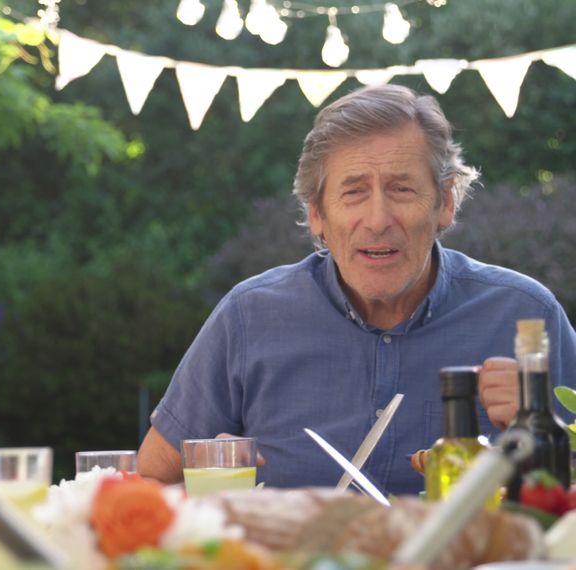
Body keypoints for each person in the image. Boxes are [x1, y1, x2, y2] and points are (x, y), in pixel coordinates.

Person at [138, 84, 576, 495]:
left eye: (402, 189)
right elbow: (151, 483)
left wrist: (543, 434)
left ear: (445, 202)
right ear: (317, 215)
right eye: (353, 192)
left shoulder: (526, 317)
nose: (378, 218)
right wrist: (209, 495)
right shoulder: (248, 317)